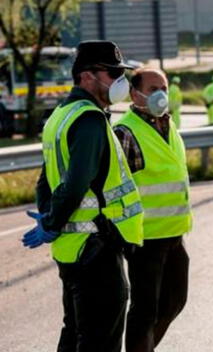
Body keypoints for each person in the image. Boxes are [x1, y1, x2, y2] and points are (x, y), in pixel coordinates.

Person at [22, 40, 144, 352]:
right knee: (99, 339)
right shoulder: (89, 119)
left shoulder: (61, 115)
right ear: (87, 76)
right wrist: (51, 220)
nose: (120, 80)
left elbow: (44, 181)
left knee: (76, 332)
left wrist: (50, 220)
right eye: (112, 73)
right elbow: (76, 184)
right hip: (96, 249)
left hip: (72, 249)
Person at [113, 68, 192, 352]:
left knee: (175, 301)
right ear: (135, 94)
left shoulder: (169, 126)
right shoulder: (125, 132)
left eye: (164, 88)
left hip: (174, 234)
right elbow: (114, 187)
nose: (161, 94)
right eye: (153, 88)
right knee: (145, 309)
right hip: (145, 239)